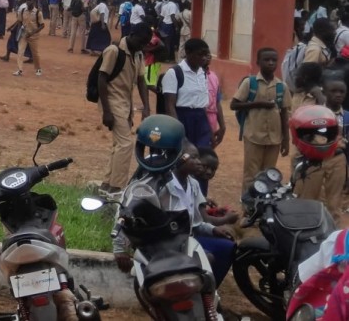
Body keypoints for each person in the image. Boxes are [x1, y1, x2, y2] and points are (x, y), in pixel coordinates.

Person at [111, 120, 235, 292]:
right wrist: (119, 249)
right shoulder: (156, 185)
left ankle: (208, 294)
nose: (199, 162)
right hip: (162, 245)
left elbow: (196, 223)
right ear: (180, 159)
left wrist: (213, 229)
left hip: (184, 239)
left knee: (226, 248)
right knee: (207, 258)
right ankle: (199, 294)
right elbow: (124, 213)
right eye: (193, 157)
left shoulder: (192, 185)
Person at [97, 27, 155, 195]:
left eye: (145, 44)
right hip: (112, 101)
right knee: (126, 143)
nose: (142, 46)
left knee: (118, 145)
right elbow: (102, 78)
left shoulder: (138, 54)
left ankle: (107, 184)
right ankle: (117, 187)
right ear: (131, 35)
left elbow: (141, 80)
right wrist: (106, 111)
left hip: (126, 103)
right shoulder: (114, 51)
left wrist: (146, 107)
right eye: (140, 42)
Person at [230, 47, 289, 191]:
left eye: (274, 60)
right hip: (253, 136)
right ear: (258, 62)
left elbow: (284, 113)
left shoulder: (282, 86)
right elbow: (234, 105)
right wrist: (258, 104)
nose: (270, 63)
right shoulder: (250, 83)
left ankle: (264, 207)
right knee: (251, 174)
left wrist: (286, 139)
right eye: (266, 60)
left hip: (274, 138)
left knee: (269, 174)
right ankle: (248, 207)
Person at [160, 38, 215, 155]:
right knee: (184, 157)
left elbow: (202, 103)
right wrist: (180, 133)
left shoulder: (202, 73)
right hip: (182, 119)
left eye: (206, 54)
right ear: (188, 52)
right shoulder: (174, 73)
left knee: (202, 156)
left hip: (201, 119)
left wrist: (209, 129)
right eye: (200, 54)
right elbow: (170, 107)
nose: (204, 58)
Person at [289, 102, 344, 217]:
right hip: (308, 160)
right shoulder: (299, 157)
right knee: (306, 199)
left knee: (333, 204)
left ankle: (332, 231)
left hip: (334, 158)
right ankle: (305, 228)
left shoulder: (339, 155)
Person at [13, 0, 44, 77]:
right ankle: (19, 70)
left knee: (35, 54)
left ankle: (38, 69)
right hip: (24, 35)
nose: (28, 2)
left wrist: (32, 33)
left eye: (30, 0)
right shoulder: (23, 11)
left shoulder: (38, 13)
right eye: (27, 0)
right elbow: (19, 21)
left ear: (34, 2)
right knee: (20, 52)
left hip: (33, 36)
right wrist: (19, 30)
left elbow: (42, 25)